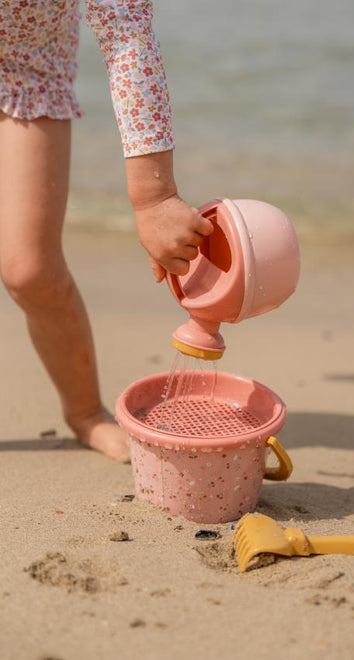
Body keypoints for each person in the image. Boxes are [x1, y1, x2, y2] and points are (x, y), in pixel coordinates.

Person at [0, 1, 213, 461]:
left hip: (23, 76)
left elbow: (125, 35)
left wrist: (153, 197)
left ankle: (85, 412)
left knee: (31, 271)